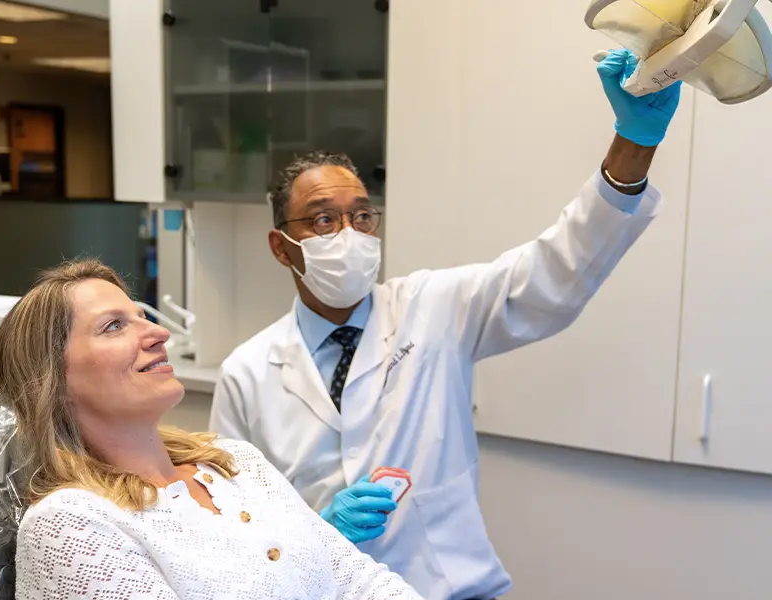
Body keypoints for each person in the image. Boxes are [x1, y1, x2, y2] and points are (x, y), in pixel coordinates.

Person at [209, 49, 682, 600]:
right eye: (322, 219)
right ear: (281, 247)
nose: (350, 234)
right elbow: (229, 523)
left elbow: (557, 268)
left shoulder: (434, 306)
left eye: (362, 215)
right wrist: (315, 526)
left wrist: (636, 141)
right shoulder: (247, 373)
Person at [0, 259, 423, 600]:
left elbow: (360, 582)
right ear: (53, 379)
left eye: (141, 316)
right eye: (114, 326)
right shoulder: (70, 523)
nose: (156, 332)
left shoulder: (237, 464)